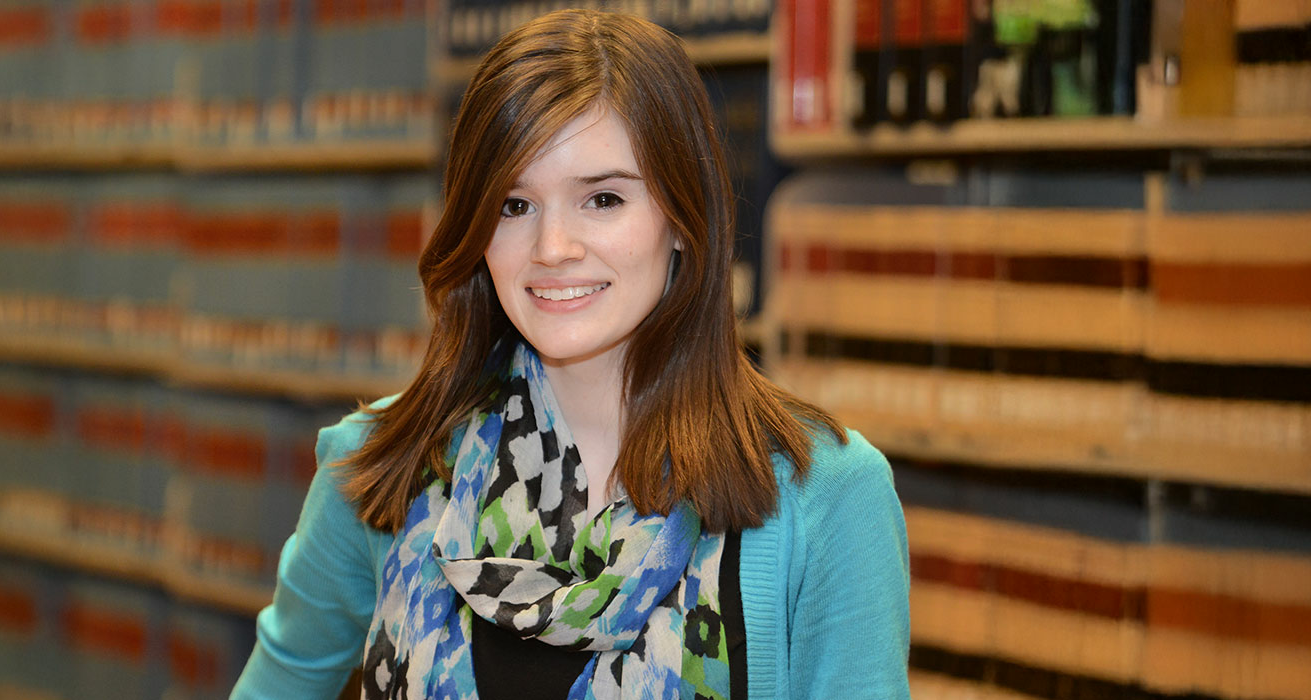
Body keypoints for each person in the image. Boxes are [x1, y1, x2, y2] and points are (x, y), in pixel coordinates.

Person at [231, 9, 908, 699]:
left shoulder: (825, 497)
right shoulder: (382, 467)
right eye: (513, 206)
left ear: (681, 219)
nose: (553, 247)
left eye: (603, 198)